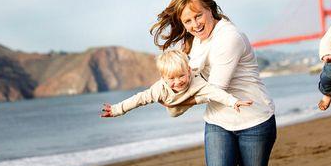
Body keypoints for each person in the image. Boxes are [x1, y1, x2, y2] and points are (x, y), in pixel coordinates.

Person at [151, 0, 276, 166]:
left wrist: (177, 105)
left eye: (198, 16)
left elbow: (215, 88)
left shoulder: (229, 37)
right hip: (218, 122)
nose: (195, 24)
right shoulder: (196, 40)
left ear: (211, 10)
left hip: (254, 119)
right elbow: (190, 80)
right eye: (187, 21)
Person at [100, 49, 253, 118]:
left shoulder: (197, 81)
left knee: (208, 92)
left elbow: (216, 93)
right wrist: (116, 109)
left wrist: (234, 102)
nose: (177, 81)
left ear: (188, 70)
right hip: (172, 106)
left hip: (192, 95)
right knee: (168, 107)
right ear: (163, 77)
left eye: (181, 76)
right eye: (171, 78)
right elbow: (138, 99)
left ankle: (197, 67)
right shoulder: (159, 89)